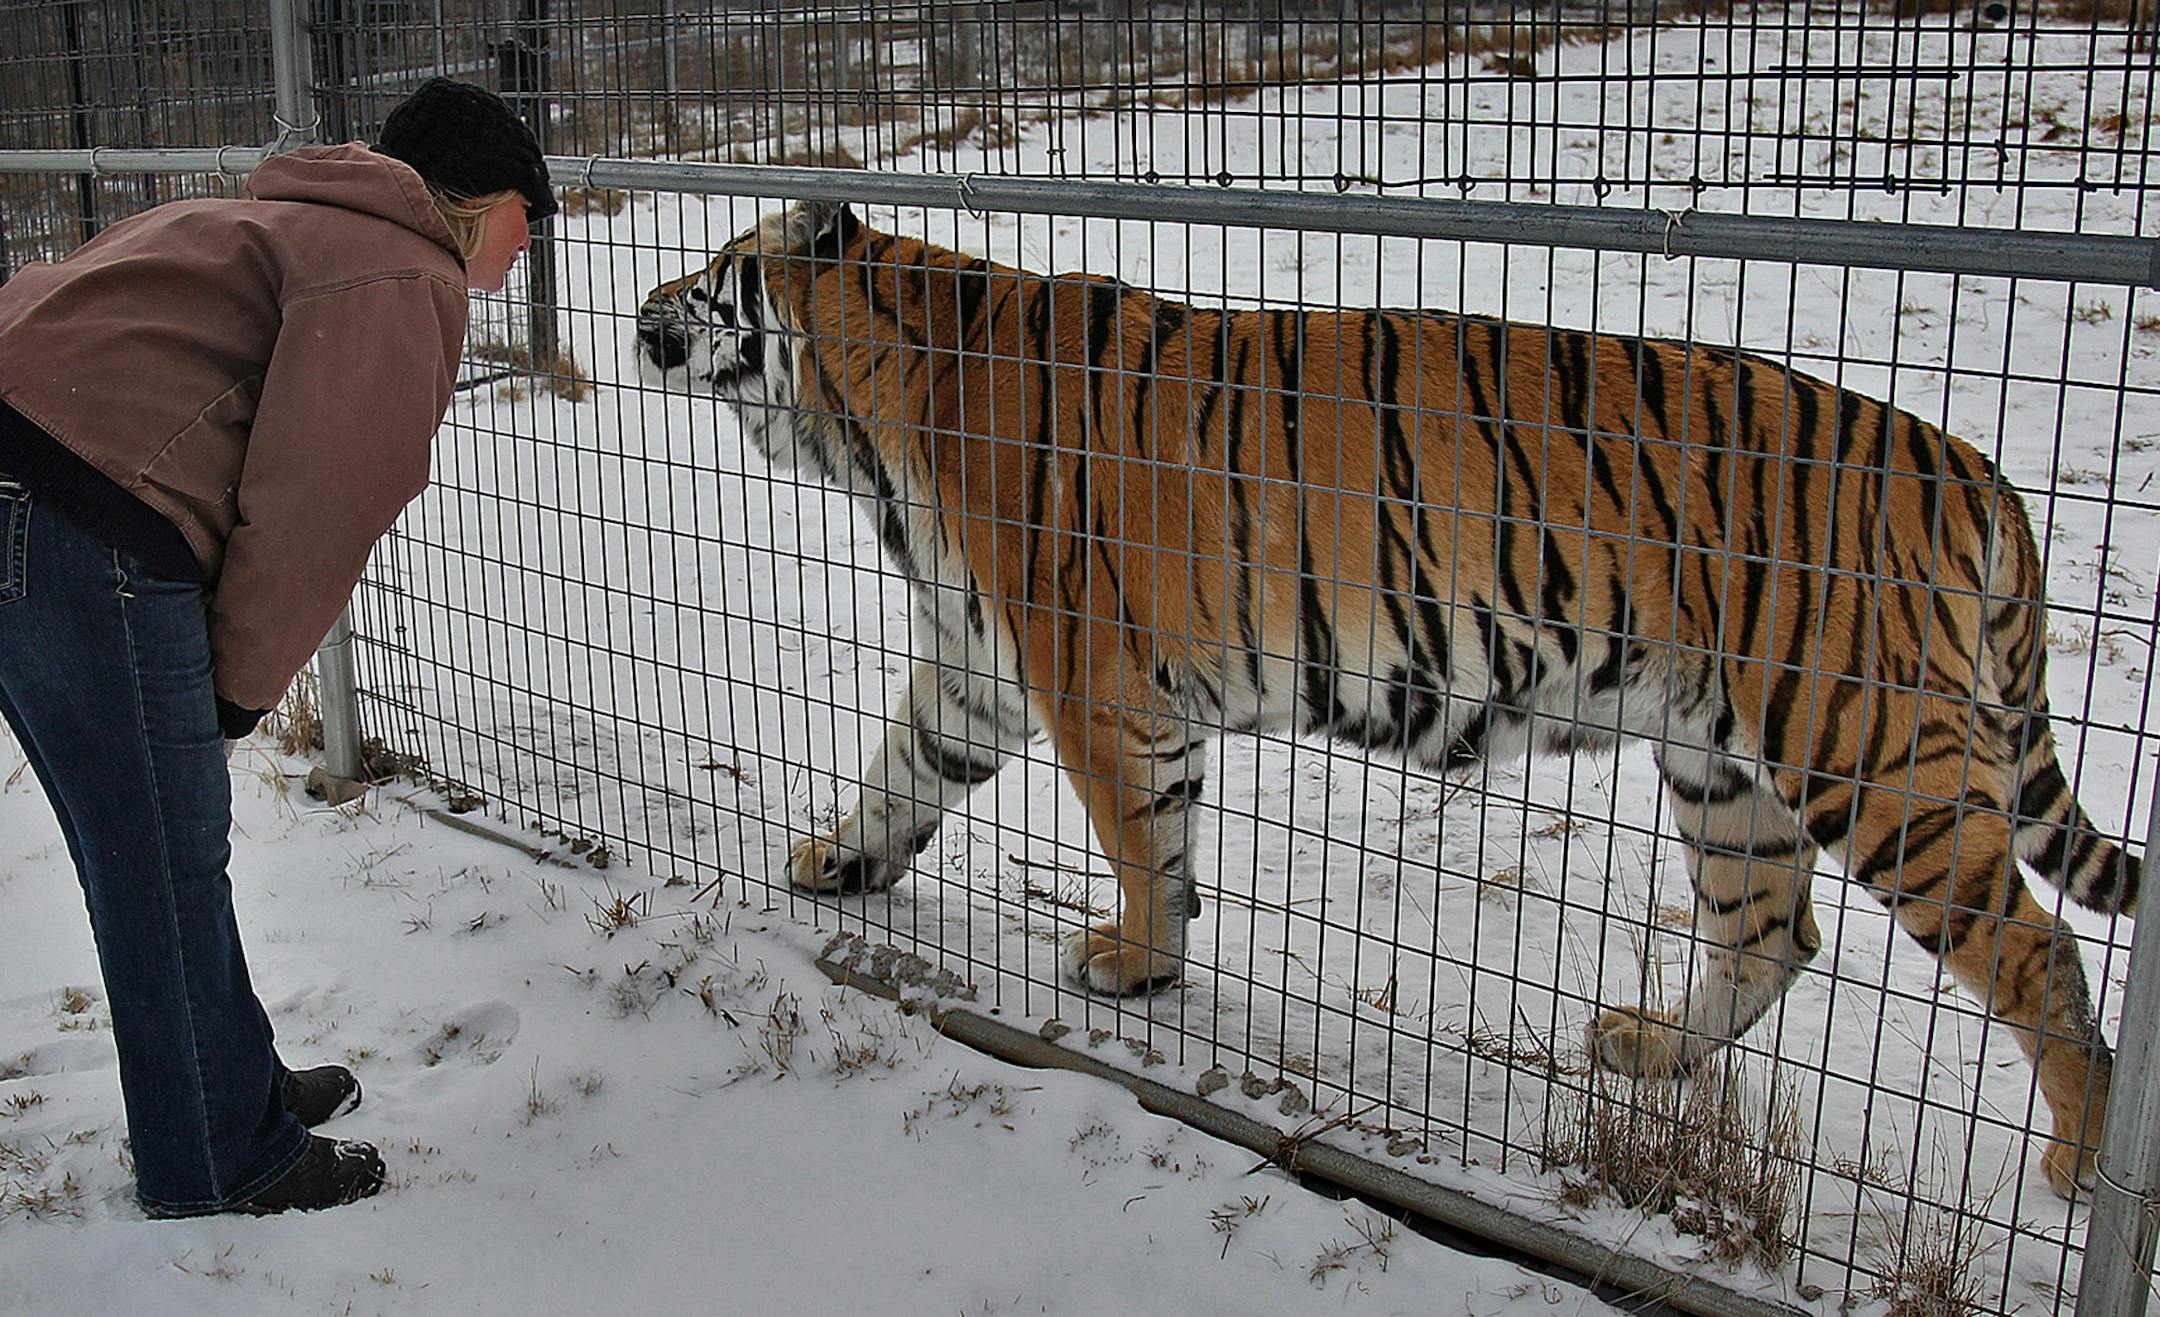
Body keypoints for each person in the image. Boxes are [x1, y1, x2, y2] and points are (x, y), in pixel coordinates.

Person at [0, 78, 554, 1218]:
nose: (531, 236)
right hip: (83, 518)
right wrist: (239, 695)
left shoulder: (282, 219)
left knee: (146, 853)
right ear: (473, 199)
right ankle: (216, 1158)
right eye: (524, 209)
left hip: (29, 483)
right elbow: (316, 505)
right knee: (161, 856)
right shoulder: (405, 273)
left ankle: (228, 1085)